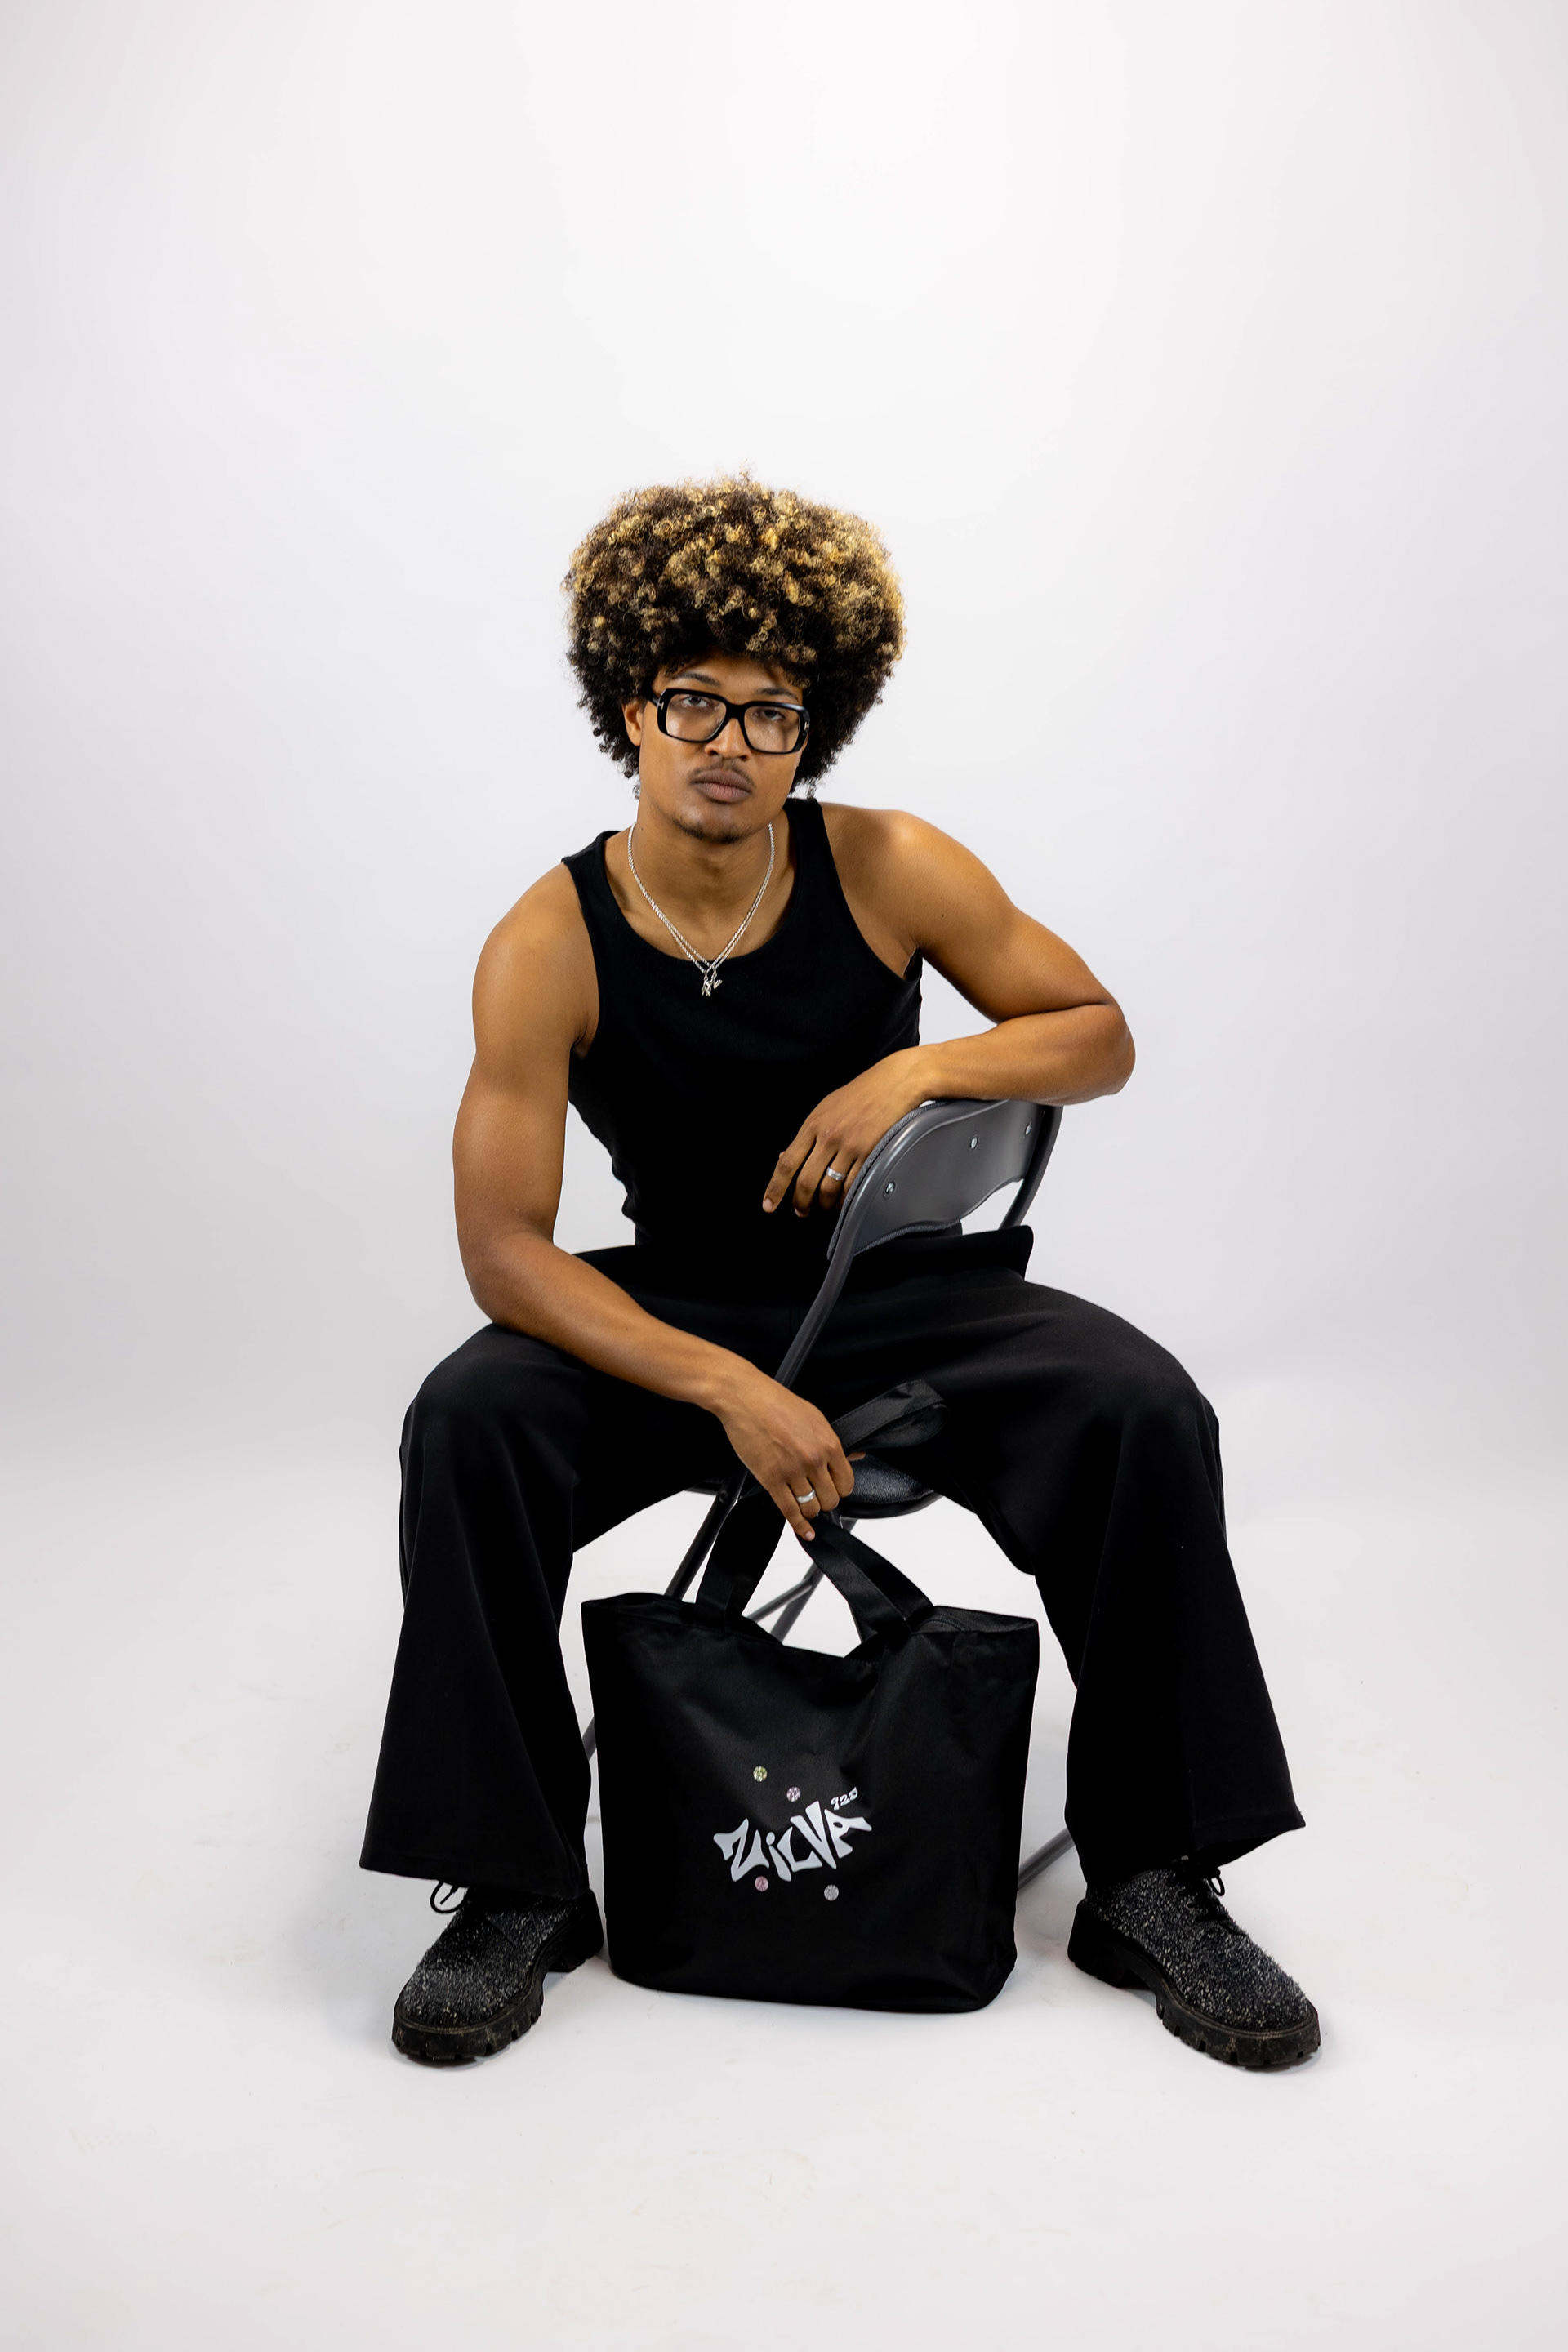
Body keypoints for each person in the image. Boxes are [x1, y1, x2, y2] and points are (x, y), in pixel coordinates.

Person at [362, 475, 1318, 2072]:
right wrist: (730, 1389)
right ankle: (517, 1883)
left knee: (1141, 1407)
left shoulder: (887, 864)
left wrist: (919, 1071)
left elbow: (1097, 1035)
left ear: (814, 730)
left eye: (773, 715)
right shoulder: (549, 938)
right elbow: (504, 1252)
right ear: (631, 708)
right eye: (696, 703)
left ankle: (1153, 1874)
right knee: (470, 1422)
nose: (731, 743)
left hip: (901, 1297)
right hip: (683, 1305)